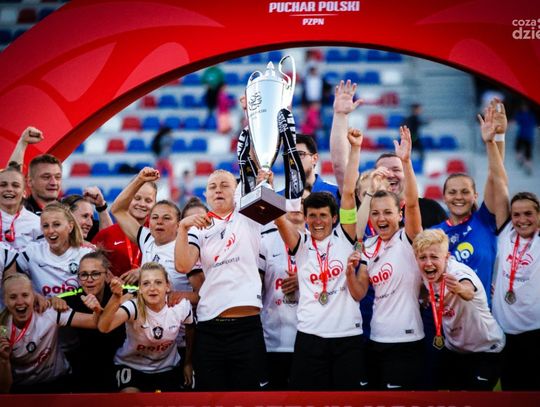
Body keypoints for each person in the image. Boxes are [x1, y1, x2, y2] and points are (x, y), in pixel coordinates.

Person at [273, 128, 368, 390]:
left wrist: (356, 149)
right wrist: (265, 184)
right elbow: (278, 217)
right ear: (305, 217)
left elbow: (348, 192)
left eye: (323, 216)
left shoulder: (346, 237)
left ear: (335, 218)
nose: (317, 221)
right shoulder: (300, 244)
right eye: (312, 216)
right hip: (309, 337)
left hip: (347, 336)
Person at [175, 169, 268, 391]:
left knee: (249, 398)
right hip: (209, 327)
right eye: (212, 186)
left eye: (225, 185)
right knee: (211, 398)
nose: (218, 190)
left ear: (237, 191)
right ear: (206, 195)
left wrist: (262, 180)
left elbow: (261, 187)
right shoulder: (198, 229)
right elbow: (183, 265)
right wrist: (182, 227)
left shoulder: (248, 215)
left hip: (246, 326)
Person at [330, 80, 447, 230]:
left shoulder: (430, 210)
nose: (390, 174)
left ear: (407, 174)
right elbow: (341, 169)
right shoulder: (362, 208)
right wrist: (340, 115)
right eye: (383, 170)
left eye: (396, 169)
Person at [359, 126, 425, 390]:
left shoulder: (408, 238)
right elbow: (359, 217)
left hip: (407, 339)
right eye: (376, 213)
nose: (381, 218)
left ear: (399, 214)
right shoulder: (367, 245)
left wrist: (406, 162)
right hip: (375, 337)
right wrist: (370, 189)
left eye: (388, 212)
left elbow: (413, 204)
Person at [434, 99, 509, 302]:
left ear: (475, 196)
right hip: (448, 317)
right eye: (452, 192)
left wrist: (496, 139)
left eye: (465, 192)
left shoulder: (485, 221)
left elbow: (496, 178)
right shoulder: (435, 234)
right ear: (444, 197)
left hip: (484, 315)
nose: (459, 197)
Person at [413, 229, 505, 390]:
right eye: (422, 257)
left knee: (475, 398)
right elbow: (424, 288)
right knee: (452, 396)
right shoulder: (427, 274)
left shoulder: (458, 272)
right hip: (456, 350)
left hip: (487, 348)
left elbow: (468, 291)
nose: (428, 263)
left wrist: (459, 288)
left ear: (446, 257)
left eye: (434, 257)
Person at [97, 262, 194, 392]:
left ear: (167, 286)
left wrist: (188, 362)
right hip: (131, 366)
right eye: (146, 283)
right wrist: (116, 297)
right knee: (130, 399)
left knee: (168, 401)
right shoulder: (133, 306)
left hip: (167, 367)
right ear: (140, 289)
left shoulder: (180, 306)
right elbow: (103, 327)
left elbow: (190, 328)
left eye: (158, 282)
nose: (152, 288)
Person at [110, 167, 201, 304]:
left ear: (178, 224)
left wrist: (173, 297)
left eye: (166, 218)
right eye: (155, 217)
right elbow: (117, 210)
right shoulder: (147, 238)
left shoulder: (186, 249)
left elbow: (202, 295)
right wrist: (139, 180)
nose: (159, 222)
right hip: (146, 314)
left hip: (176, 316)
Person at [0, 273, 100, 394]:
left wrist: (97, 310)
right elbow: (4, 390)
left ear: (34, 296)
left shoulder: (49, 312)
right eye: (13, 297)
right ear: (5, 300)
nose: (20, 302)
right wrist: (3, 361)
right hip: (21, 389)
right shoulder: (2, 329)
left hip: (58, 381)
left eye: (25, 295)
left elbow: (96, 323)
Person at [51, 250, 128, 392]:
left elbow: (141, 292)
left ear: (107, 276)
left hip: (121, 360)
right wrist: (53, 300)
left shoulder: (119, 290)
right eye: (84, 275)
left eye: (95, 274)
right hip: (87, 363)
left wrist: (125, 297)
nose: (89, 279)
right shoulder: (74, 296)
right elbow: (47, 302)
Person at [259, 187, 310, 389]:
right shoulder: (265, 242)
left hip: (310, 339)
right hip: (272, 341)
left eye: (302, 201)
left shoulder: (320, 243)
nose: (296, 205)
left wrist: (304, 279)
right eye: (291, 200)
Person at [492, 191, 540, 391]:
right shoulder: (505, 234)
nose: (522, 220)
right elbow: (499, 184)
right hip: (504, 331)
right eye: (516, 214)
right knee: (510, 391)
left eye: (528, 214)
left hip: (535, 332)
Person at [13, 202, 95, 297]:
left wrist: (61, 299)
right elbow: (11, 280)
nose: (50, 231)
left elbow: (96, 290)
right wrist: (35, 296)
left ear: (70, 226)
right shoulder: (31, 253)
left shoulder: (87, 254)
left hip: (79, 306)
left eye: (56, 224)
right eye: (45, 226)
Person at [92, 180, 157, 278]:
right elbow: (89, 265)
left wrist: (145, 271)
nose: (142, 204)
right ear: (127, 199)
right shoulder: (107, 234)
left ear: (155, 204)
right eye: (137, 198)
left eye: (148, 201)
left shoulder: (160, 234)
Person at [0, 162, 41, 251]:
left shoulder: (37, 223)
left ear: (24, 193)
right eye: (3, 185)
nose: (9, 189)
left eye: (15, 185)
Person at [151, 126, 178, 201]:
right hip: (164, 158)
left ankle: (155, 185)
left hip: (160, 158)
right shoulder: (166, 138)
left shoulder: (159, 138)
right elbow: (171, 142)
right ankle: (171, 186)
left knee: (158, 173)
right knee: (170, 171)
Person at [513, 102, 538, 175]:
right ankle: (522, 160)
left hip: (526, 135)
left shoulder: (528, 115)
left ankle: (527, 165)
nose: (524, 108)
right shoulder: (529, 115)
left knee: (527, 152)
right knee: (519, 149)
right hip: (524, 135)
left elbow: (517, 121)